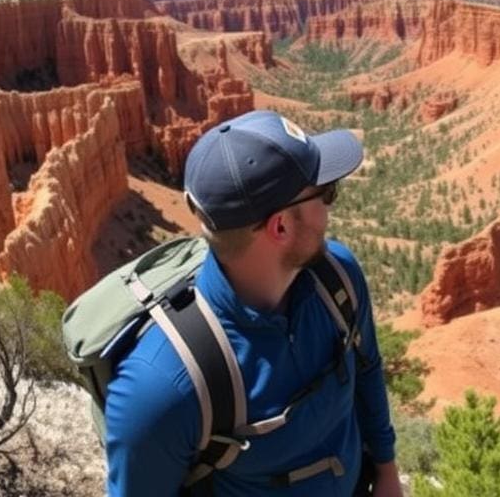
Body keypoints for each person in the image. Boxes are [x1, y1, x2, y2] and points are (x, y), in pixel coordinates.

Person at [104, 109, 403, 497]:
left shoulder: (339, 279)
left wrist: (387, 473)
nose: (330, 210)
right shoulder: (160, 388)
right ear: (281, 226)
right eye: (326, 193)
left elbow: (367, 371)